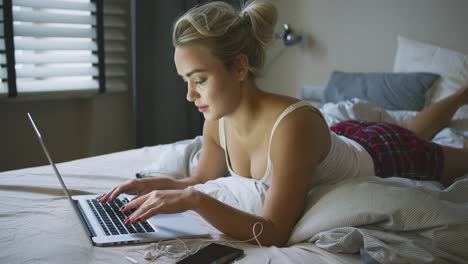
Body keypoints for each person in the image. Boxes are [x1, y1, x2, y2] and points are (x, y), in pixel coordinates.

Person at [98, 1, 468, 247]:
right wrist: (148, 185)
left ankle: (459, 94)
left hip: (384, 152)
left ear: (240, 68)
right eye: (185, 81)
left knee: (431, 146)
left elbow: (274, 233)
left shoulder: (293, 125)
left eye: (200, 79)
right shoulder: (217, 120)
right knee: (416, 130)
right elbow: (199, 180)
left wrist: (195, 201)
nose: (190, 96)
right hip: (339, 139)